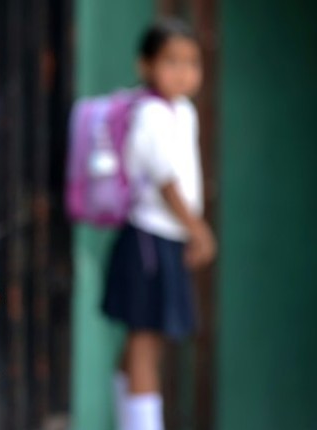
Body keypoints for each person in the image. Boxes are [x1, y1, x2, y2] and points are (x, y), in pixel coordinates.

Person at [101, 18, 216, 430]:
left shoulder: (182, 111)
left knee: (145, 340)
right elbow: (167, 183)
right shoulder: (150, 113)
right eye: (171, 60)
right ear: (145, 65)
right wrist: (198, 230)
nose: (184, 71)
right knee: (144, 342)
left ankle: (128, 418)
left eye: (192, 62)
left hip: (162, 240)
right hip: (147, 239)